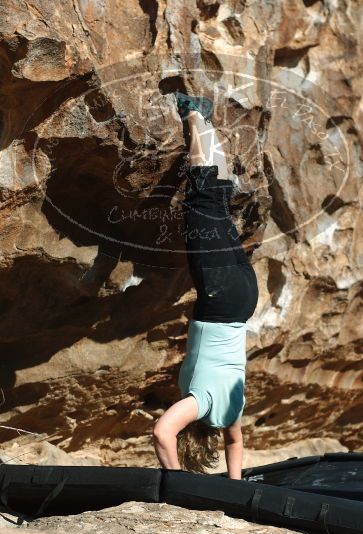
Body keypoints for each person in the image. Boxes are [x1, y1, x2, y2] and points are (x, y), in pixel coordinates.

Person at [152, 91, 259, 480]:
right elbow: (162, 433)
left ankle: (206, 123)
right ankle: (194, 115)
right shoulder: (202, 404)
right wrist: (175, 480)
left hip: (244, 299)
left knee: (217, 203)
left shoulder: (232, 411)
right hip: (220, 298)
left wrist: (235, 487)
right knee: (201, 201)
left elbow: (235, 443)